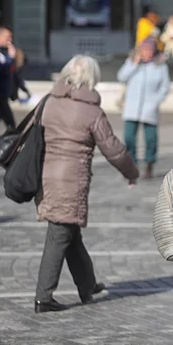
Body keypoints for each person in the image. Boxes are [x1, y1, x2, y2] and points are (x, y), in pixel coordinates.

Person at [34, 55, 139, 313]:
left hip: (45, 178)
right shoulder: (91, 111)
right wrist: (131, 172)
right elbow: (112, 148)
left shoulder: (48, 102)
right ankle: (43, 298)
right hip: (71, 181)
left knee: (70, 233)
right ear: (92, 78)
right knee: (59, 234)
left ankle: (87, 284)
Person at [117, 38, 170, 178]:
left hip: (149, 108)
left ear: (154, 51)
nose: (146, 53)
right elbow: (121, 77)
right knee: (129, 137)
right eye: (144, 50)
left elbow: (165, 87)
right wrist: (134, 64)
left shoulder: (160, 67)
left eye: (149, 50)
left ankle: (149, 164)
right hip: (132, 107)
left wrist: (155, 101)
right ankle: (132, 164)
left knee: (151, 139)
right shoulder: (132, 63)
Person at [0, 25, 17, 132]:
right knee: (11, 124)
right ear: (0, 36)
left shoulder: (3, 52)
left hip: (2, 94)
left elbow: (12, 73)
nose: (10, 40)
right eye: (8, 37)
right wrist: (11, 58)